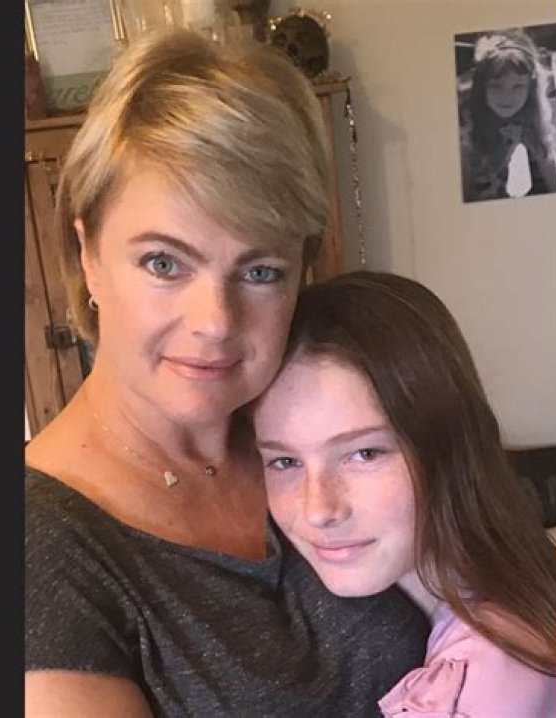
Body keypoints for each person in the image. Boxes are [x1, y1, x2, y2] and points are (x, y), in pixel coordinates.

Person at [24, 30, 431, 716]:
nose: (215, 321)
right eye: (164, 263)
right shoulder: (40, 551)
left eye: (260, 271)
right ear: (88, 254)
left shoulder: (331, 421)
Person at [252, 271, 556, 717]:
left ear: (448, 446)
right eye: (285, 462)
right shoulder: (517, 580)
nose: (319, 509)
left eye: (364, 453)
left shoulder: (481, 687)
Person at [457, 28, 556, 202]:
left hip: (500, 192)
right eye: (495, 86)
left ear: (530, 89)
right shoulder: (464, 122)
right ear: (481, 87)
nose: (507, 97)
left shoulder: (529, 113)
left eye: (518, 86)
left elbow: (546, 157)